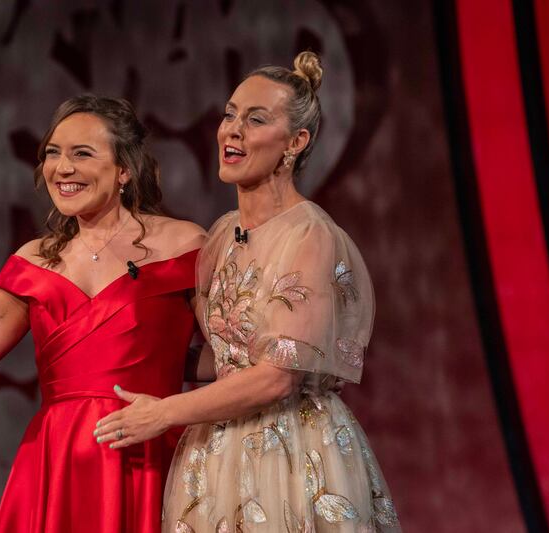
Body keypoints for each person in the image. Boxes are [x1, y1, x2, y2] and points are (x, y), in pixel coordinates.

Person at [94, 52, 401, 532]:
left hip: (291, 450)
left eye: (255, 119)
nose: (231, 130)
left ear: (296, 142)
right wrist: (124, 353)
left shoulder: (309, 236)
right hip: (218, 452)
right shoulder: (221, 235)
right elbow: (228, 356)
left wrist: (164, 413)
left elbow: (278, 378)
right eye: (229, 114)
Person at [0, 94, 206, 532]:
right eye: (53, 153)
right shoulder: (36, 261)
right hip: (55, 466)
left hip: (147, 457)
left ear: (124, 169)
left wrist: (173, 374)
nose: (62, 168)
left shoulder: (183, 244)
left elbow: (233, 356)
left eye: (82, 153)